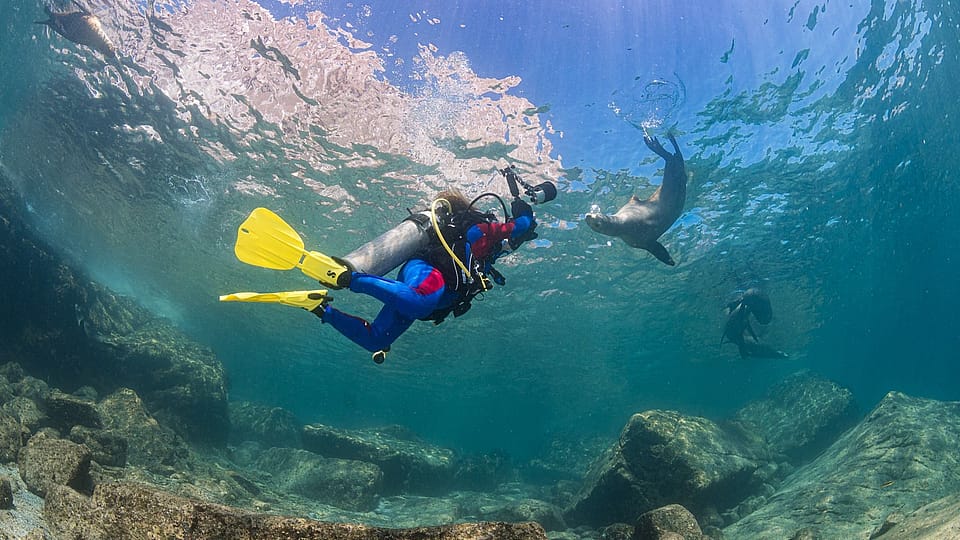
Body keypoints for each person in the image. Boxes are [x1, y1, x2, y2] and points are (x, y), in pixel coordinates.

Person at [309, 190, 538, 362]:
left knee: (376, 340)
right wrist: (525, 216)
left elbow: (509, 243)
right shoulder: (480, 230)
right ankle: (346, 277)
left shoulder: (488, 257)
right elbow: (515, 228)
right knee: (418, 302)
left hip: (432, 294)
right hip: (427, 270)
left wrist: (516, 239)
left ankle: (319, 308)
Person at [721, 288, 788, 359]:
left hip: (737, 330)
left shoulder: (744, 306)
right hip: (735, 334)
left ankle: (774, 354)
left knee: (753, 342)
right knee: (754, 344)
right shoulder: (741, 311)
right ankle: (776, 354)